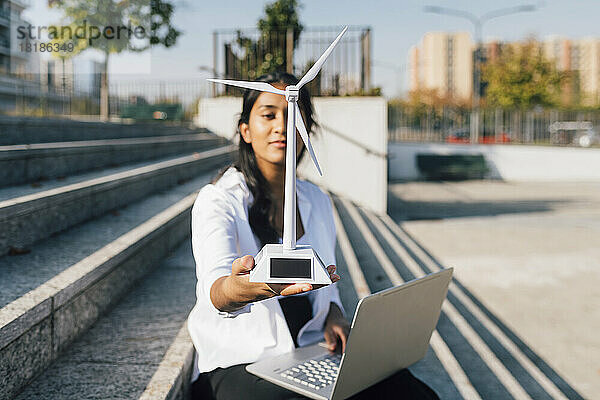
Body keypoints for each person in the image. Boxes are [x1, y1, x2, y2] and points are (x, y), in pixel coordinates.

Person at [187, 71, 439, 399]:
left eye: (295, 115)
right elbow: (216, 293)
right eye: (268, 115)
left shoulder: (317, 200)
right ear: (245, 130)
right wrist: (244, 288)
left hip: (306, 352)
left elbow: (326, 280)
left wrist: (334, 311)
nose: (282, 125)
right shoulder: (218, 200)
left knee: (411, 392)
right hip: (239, 362)